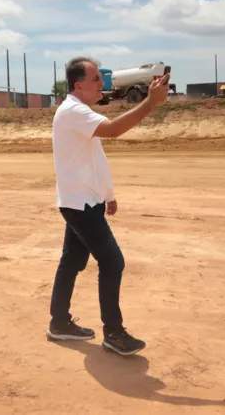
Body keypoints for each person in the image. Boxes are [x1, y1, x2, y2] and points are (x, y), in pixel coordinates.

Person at [47, 57, 171, 356]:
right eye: (96, 80)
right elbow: (114, 130)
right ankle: (113, 333)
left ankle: (59, 323)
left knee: (73, 262)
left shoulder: (80, 112)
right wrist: (151, 103)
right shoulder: (73, 111)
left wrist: (108, 193)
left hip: (83, 199)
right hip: (79, 204)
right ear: (79, 85)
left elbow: (95, 159)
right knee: (112, 262)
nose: (102, 83)